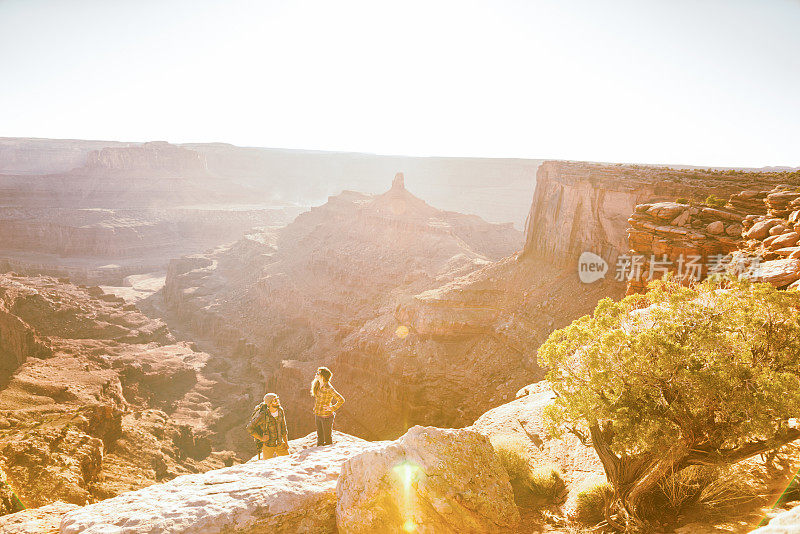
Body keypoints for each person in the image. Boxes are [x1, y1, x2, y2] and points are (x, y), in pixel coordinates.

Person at [310, 367, 344, 446]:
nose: (316, 374)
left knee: (327, 438)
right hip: (318, 414)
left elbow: (341, 399)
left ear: (323, 376)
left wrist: (332, 408)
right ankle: (319, 453)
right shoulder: (317, 384)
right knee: (320, 437)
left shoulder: (329, 388)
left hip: (326, 417)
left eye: (318, 373)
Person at [251, 393, 289, 459]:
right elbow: (250, 428)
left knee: (288, 462)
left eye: (278, 400)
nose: (278, 402)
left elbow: (283, 428)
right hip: (268, 446)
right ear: (269, 403)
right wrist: (261, 438)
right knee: (266, 466)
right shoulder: (263, 415)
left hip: (280, 444)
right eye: (275, 401)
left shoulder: (280, 411)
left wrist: (286, 442)